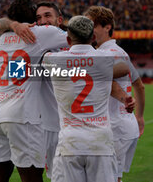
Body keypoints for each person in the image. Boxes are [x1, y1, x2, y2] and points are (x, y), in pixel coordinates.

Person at [0, 0, 69, 182]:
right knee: (32, 178)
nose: (42, 21)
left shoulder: (1, 40)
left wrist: (12, 25)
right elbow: (81, 35)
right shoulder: (41, 33)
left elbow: (20, 70)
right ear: (33, 18)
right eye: (39, 16)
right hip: (23, 116)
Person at [42, 16, 117, 182]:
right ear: (93, 37)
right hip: (101, 142)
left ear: (68, 39)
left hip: (70, 142)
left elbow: (40, 50)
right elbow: (124, 68)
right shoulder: (107, 58)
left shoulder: (52, 60)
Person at [84, 6, 145, 182]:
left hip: (114, 127)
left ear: (107, 27)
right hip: (124, 125)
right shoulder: (120, 52)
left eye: (93, 25)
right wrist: (139, 118)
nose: (89, 30)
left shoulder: (103, 54)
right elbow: (139, 85)